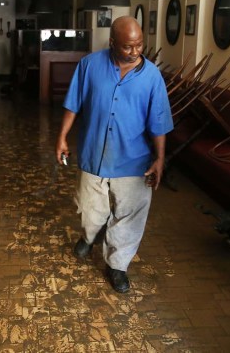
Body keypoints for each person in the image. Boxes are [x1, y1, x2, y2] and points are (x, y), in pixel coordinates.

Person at [55, 16, 174, 293]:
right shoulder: (90, 65)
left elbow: (159, 122)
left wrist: (159, 159)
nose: (135, 52)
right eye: (127, 47)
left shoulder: (152, 77)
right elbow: (73, 104)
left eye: (139, 45)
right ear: (112, 43)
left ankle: (117, 265)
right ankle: (90, 235)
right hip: (93, 153)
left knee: (130, 215)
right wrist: (61, 137)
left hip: (135, 159)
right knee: (90, 209)